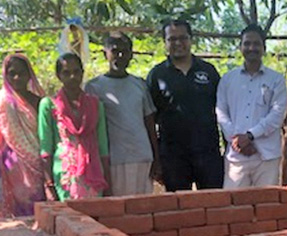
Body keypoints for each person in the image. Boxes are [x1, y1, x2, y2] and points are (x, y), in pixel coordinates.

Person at [147, 20, 224, 191]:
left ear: (191, 39)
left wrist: (226, 151)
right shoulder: (157, 75)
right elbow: (150, 119)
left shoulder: (208, 71)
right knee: (179, 210)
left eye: (183, 38)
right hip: (173, 156)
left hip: (208, 152)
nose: (178, 43)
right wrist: (156, 159)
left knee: (213, 206)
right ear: (165, 42)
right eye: (172, 39)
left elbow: (223, 111)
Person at [216, 24, 287, 188]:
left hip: (266, 156)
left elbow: (277, 115)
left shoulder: (276, 80)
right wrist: (238, 141)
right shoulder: (228, 79)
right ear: (240, 47)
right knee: (234, 208)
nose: (251, 48)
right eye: (247, 43)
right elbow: (221, 113)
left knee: (266, 207)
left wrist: (249, 136)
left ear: (264, 47)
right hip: (236, 157)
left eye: (256, 44)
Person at [86, 33, 158, 196]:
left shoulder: (139, 84)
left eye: (125, 51)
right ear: (106, 54)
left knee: (142, 210)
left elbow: (149, 122)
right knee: (116, 211)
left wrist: (156, 157)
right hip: (112, 160)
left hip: (142, 157)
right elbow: (91, 128)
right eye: (115, 51)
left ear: (131, 55)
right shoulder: (94, 87)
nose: (120, 55)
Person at [38, 52, 110, 201]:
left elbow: (102, 146)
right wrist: (49, 184)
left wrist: (108, 182)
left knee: (94, 220)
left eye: (76, 72)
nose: (72, 77)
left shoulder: (95, 105)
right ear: (59, 76)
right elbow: (46, 148)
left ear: (82, 73)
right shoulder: (49, 105)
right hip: (65, 174)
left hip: (93, 174)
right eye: (66, 73)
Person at [0, 54, 46, 217]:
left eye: (22, 73)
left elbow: (47, 141)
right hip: (8, 175)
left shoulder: (40, 103)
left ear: (29, 75)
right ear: (5, 75)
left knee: (39, 222)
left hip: (37, 173)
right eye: (12, 73)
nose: (17, 77)